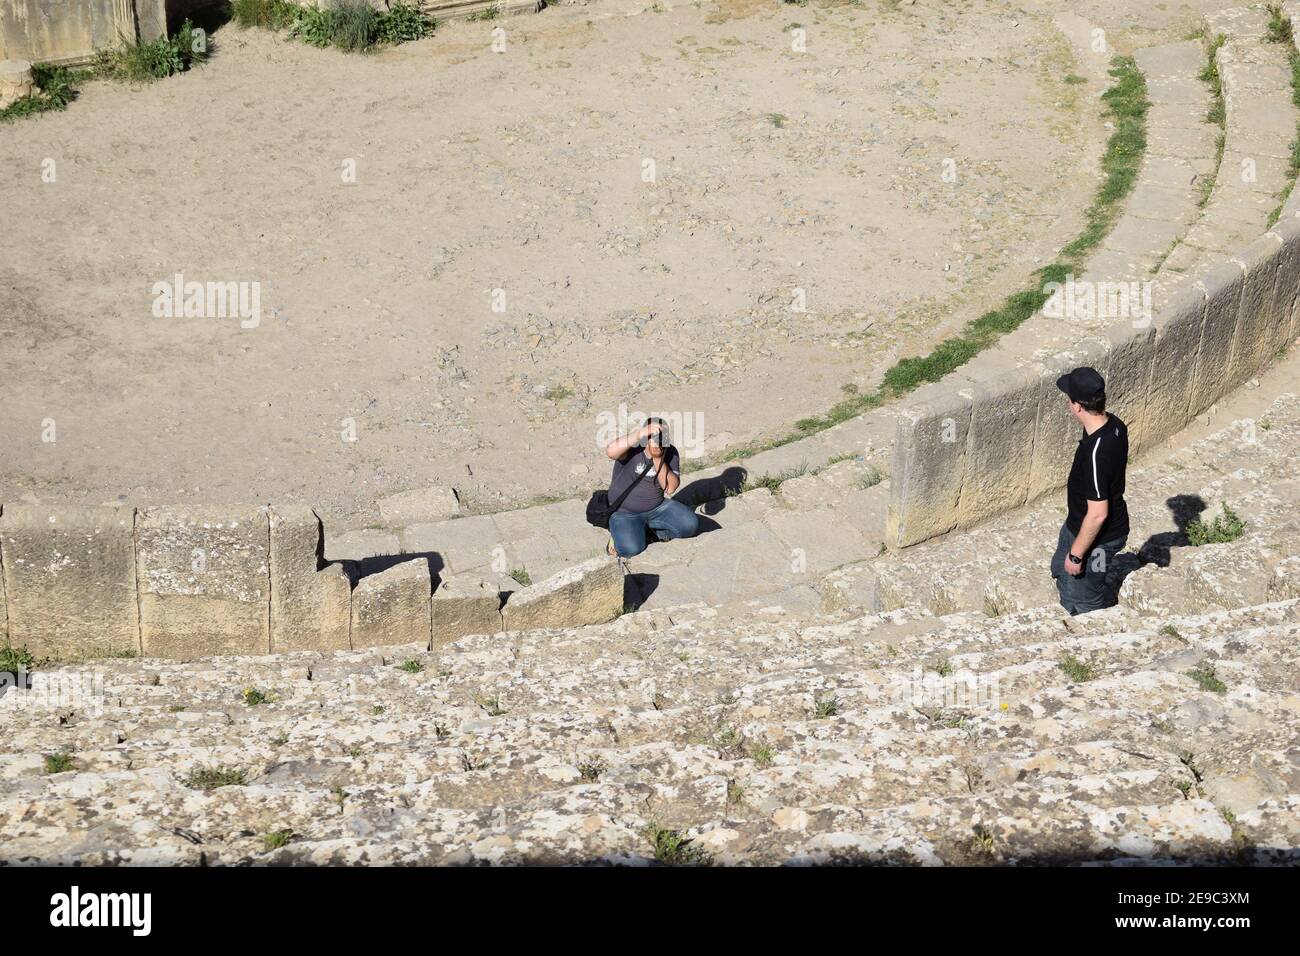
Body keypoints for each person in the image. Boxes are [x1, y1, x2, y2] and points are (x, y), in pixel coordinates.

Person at [1050, 367, 1130, 615]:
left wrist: (1076, 555)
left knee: (1083, 600)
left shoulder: (1096, 453)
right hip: (1076, 525)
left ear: (1076, 407)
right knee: (1058, 569)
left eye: (1069, 398)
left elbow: (1098, 514)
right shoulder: (1114, 424)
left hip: (1099, 541)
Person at [603, 417, 700, 558]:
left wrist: (658, 458)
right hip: (624, 512)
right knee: (631, 549)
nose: (657, 441)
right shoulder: (633, 448)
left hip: (657, 507)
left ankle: (647, 532)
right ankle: (617, 535)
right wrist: (638, 434)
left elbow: (671, 488)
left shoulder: (670, 452)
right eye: (652, 436)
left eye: (662, 436)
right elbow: (611, 452)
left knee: (690, 525)